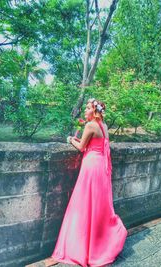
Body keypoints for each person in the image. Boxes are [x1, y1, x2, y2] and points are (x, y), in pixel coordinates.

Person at [44, 98, 128, 267]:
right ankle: (99, 243)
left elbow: (82, 147)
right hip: (101, 168)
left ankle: (83, 248)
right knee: (97, 205)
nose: (85, 111)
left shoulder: (90, 126)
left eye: (88, 108)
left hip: (91, 166)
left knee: (83, 204)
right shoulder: (104, 126)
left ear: (95, 111)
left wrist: (70, 140)